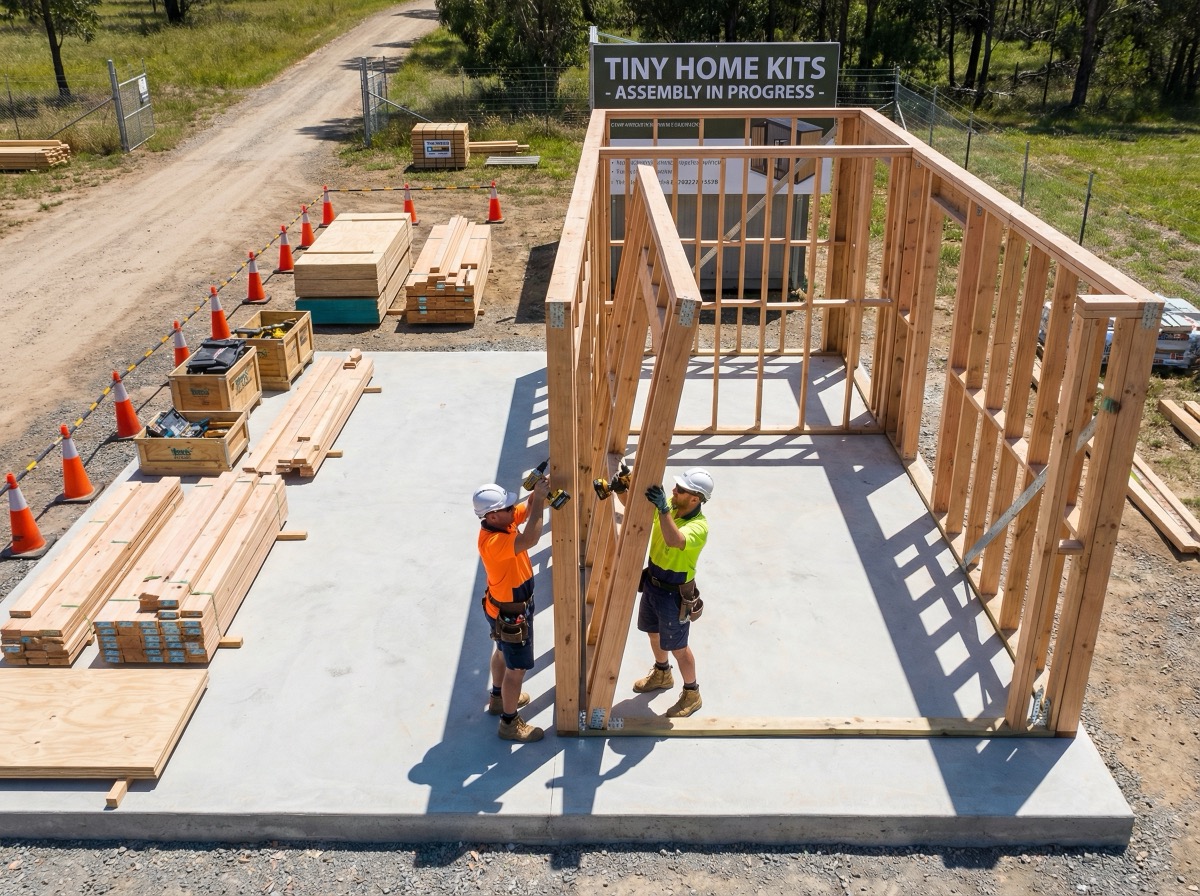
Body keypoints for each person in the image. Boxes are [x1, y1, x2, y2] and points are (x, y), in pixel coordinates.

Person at [472, 474, 550, 742]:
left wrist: (542, 490)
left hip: (499, 608)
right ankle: (509, 722)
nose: (511, 510)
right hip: (512, 614)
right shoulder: (493, 543)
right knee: (516, 671)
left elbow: (527, 509)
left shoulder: (501, 523)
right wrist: (539, 499)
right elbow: (531, 538)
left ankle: (497, 698)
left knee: (502, 653)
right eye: (506, 508)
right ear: (492, 516)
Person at [632, 467, 713, 718]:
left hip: (674, 592)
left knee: (679, 647)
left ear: (695, 499)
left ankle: (692, 693)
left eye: (680, 490)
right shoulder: (671, 506)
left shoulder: (699, 527)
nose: (673, 491)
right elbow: (640, 510)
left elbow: (674, 540)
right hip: (654, 582)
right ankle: (662, 673)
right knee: (653, 633)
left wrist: (664, 510)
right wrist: (625, 487)